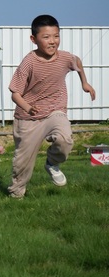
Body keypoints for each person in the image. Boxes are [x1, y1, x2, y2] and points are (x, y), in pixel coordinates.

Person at [7, 14, 96, 199]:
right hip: (28, 117)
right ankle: (16, 194)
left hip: (55, 111)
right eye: (46, 37)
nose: (53, 41)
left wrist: (84, 83)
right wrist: (28, 106)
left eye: (56, 36)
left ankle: (52, 163)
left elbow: (77, 61)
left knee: (65, 140)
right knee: (22, 163)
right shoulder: (29, 62)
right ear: (34, 39)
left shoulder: (64, 58)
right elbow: (15, 92)